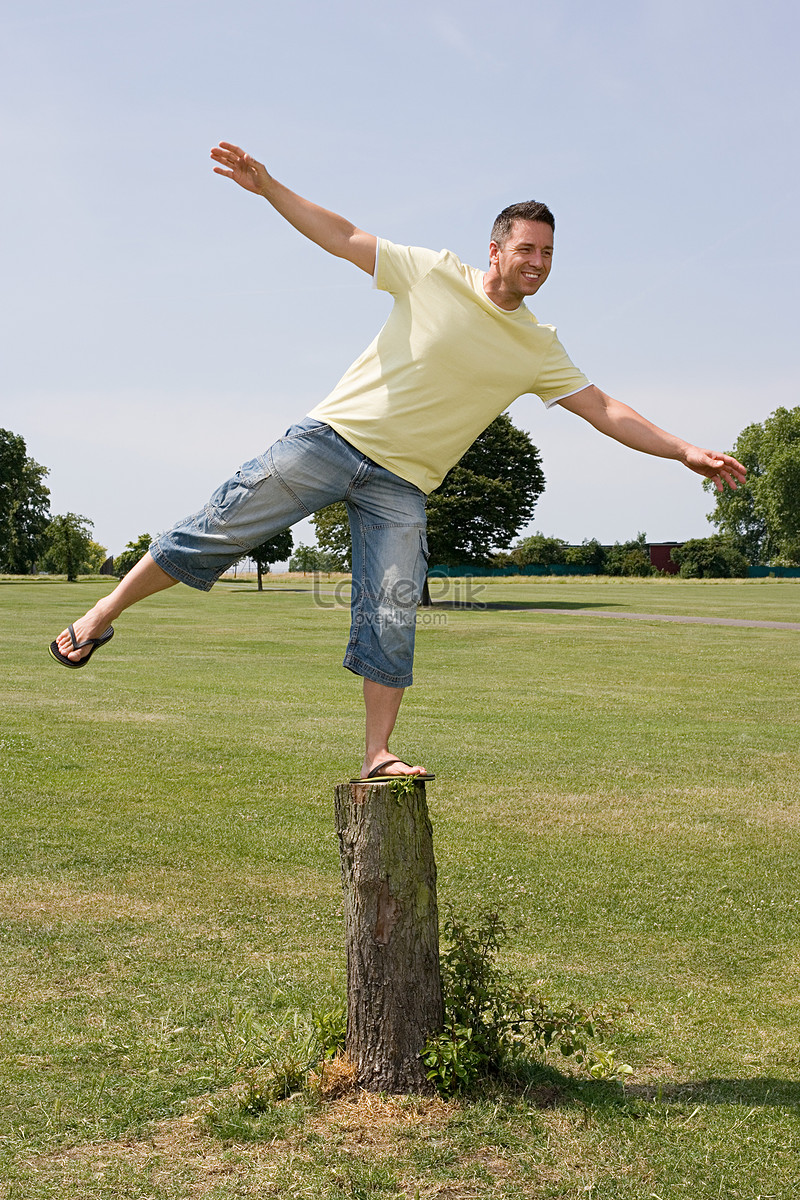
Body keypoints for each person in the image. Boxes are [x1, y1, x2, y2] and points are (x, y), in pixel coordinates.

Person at [50, 142, 746, 780]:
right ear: (497, 249)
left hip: (402, 486)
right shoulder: (432, 272)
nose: (539, 263)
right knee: (218, 526)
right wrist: (271, 189)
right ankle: (101, 614)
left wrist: (684, 449)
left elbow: (605, 409)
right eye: (528, 249)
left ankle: (378, 753)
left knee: (392, 609)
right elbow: (345, 236)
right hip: (330, 439)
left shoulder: (539, 345)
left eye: (550, 255)